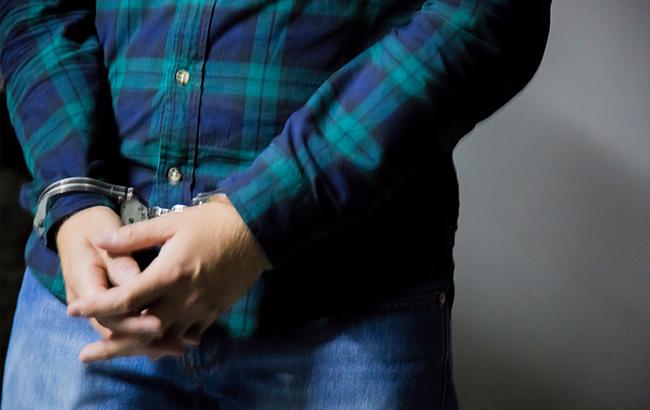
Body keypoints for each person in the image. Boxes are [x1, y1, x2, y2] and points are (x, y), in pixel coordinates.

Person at [1, 0, 551, 408]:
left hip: (346, 314)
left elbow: (489, 12)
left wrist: (256, 219)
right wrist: (74, 195)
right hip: (87, 303)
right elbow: (34, 9)